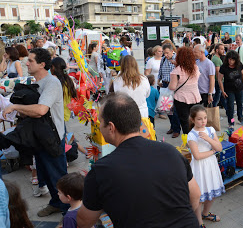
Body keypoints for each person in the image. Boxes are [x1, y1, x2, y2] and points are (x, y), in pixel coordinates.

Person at [76, 93, 200, 228]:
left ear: (111, 127)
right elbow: (195, 195)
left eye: (100, 122)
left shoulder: (101, 170)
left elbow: (84, 221)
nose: (99, 127)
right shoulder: (170, 151)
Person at [3, 48, 68, 216]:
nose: (27, 63)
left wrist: (16, 106)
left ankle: (68, 213)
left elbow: (41, 110)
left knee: (58, 178)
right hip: (40, 137)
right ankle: (55, 203)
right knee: (46, 174)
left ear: (42, 64)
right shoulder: (36, 82)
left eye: (31, 60)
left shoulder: (51, 83)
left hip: (52, 138)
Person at [187, 105, 224, 227]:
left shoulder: (210, 130)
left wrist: (208, 139)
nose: (203, 121)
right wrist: (212, 152)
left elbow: (219, 147)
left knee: (212, 192)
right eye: (199, 119)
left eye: (205, 118)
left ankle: (205, 213)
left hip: (211, 166)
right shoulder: (191, 135)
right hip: (199, 167)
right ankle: (199, 221)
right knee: (199, 196)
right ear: (192, 120)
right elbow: (197, 156)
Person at [169, 47, 201, 135]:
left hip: (181, 99)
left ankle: (189, 140)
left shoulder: (176, 71)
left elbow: (172, 87)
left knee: (185, 121)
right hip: (195, 97)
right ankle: (196, 138)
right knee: (195, 120)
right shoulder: (195, 68)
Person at [158, 44, 181, 137]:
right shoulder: (163, 59)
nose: (166, 55)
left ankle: (177, 129)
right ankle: (172, 126)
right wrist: (158, 80)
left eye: (167, 53)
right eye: (164, 53)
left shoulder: (178, 59)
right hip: (165, 84)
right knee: (167, 108)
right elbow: (160, 71)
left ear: (172, 51)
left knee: (174, 109)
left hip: (175, 85)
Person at [218, 51, 243, 128]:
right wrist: (222, 91)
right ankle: (231, 122)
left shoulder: (239, 65)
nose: (231, 61)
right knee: (230, 106)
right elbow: (219, 79)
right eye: (229, 59)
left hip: (239, 88)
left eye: (233, 60)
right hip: (229, 90)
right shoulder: (224, 67)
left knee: (240, 104)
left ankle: (240, 118)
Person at [211, 43, 227, 110]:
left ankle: (228, 110)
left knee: (222, 97)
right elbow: (218, 72)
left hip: (218, 81)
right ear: (217, 50)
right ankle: (213, 113)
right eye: (221, 49)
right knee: (216, 99)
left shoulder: (216, 58)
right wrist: (220, 82)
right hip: (218, 81)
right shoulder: (217, 60)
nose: (223, 51)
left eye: (223, 49)